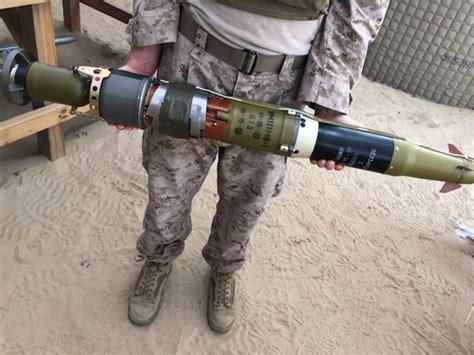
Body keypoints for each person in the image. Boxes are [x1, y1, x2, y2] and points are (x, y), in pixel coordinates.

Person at [120, 0, 389, 333]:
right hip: (193, 56)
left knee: (251, 193)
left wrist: (331, 100)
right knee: (169, 180)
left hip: (281, 80)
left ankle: (224, 266)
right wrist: (144, 52)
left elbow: (361, 6)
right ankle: (158, 258)